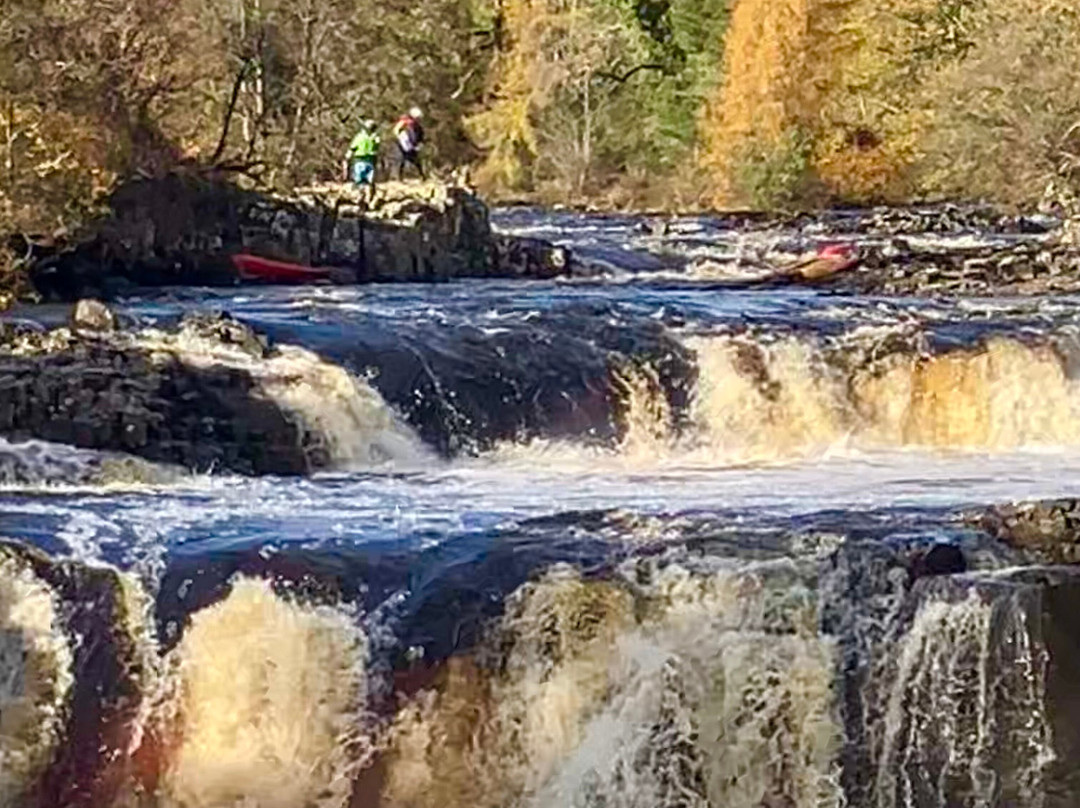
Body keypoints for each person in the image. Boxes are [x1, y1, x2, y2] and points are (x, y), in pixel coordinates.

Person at [393, 107, 426, 180]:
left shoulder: (417, 126)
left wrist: (419, 143)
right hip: (403, 144)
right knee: (402, 159)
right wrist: (401, 138)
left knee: (416, 160)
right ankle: (399, 176)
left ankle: (422, 175)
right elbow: (396, 130)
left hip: (412, 145)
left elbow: (420, 135)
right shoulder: (405, 122)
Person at [346, 119, 381, 187]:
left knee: (365, 178)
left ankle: (364, 190)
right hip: (363, 159)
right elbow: (352, 148)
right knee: (362, 178)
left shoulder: (363, 137)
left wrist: (348, 156)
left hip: (366, 159)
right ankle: (361, 190)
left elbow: (352, 148)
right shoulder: (372, 138)